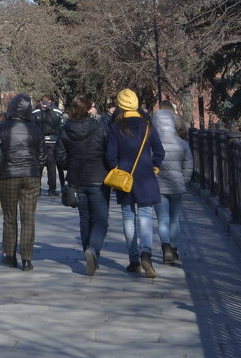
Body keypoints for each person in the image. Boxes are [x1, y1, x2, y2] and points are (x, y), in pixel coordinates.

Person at [106, 89, 166, 277]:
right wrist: (154, 167)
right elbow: (160, 151)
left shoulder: (116, 128)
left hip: (125, 178)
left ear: (120, 106)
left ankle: (133, 259)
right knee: (146, 216)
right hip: (146, 177)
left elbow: (110, 157)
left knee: (128, 217)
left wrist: (116, 168)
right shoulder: (147, 125)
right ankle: (146, 253)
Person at [0, 94, 46, 271]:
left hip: (8, 175)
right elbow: (42, 156)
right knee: (28, 219)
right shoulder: (35, 129)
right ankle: (27, 259)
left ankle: (10, 255)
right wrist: (36, 172)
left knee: (9, 217)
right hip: (30, 175)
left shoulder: (2, 128)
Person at [55, 95, 110, 276]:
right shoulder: (101, 128)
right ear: (87, 109)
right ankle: (93, 250)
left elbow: (60, 156)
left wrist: (68, 165)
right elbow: (109, 153)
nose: (95, 108)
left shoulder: (65, 130)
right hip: (98, 179)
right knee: (100, 220)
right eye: (93, 106)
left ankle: (89, 251)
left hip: (77, 180)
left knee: (85, 218)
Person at [153, 100, 193, 266]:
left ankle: (166, 246)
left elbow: (149, 163)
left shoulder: (153, 145)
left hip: (159, 186)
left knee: (162, 219)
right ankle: (175, 248)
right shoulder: (182, 144)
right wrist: (183, 180)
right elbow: (189, 165)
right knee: (174, 218)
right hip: (177, 186)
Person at [33, 98, 65, 195]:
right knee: (52, 167)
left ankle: (37, 189)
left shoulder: (35, 112)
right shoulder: (57, 112)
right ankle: (52, 189)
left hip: (40, 142)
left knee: (39, 166)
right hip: (53, 142)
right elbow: (62, 127)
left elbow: (32, 127)